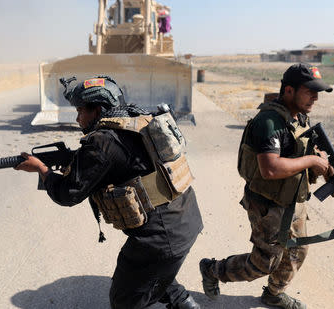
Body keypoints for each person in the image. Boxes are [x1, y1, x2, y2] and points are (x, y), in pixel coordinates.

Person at [15, 75, 203, 309]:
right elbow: (125, 165)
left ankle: (178, 299)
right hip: (186, 219)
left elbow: (67, 194)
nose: (77, 118)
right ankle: (182, 301)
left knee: (123, 300)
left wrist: (41, 169)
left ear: (97, 110)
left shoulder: (102, 141)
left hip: (161, 238)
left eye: (81, 111)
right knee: (147, 272)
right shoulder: (138, 119)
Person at [199, 63, 334, 309]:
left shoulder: (300, 118)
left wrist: (328, 171)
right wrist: (313, 160)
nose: (315, 97)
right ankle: (212, 270)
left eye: (318, 92)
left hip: (294, 201)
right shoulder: (268, 122)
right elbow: (270, 168)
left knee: (297, 252)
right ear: (289, 91)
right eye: (310, 91)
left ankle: (273, 293)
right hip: (268, 204)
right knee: (264, 262)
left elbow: (310, 152)